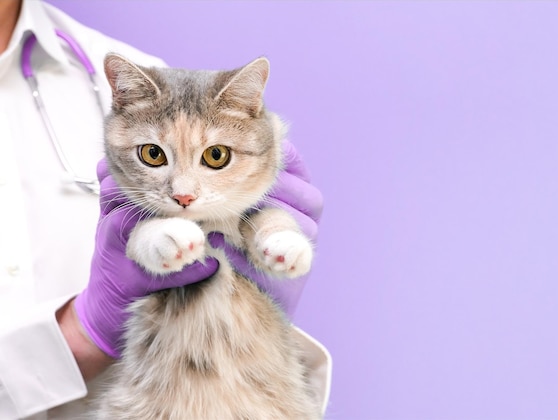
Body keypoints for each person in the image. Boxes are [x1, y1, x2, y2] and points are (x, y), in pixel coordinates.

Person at [0, 0, 331, 418]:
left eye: (212, 158)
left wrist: (260, 280)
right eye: (155, 155)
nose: (184, 193)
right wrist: (78, 335)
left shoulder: (138, 74)